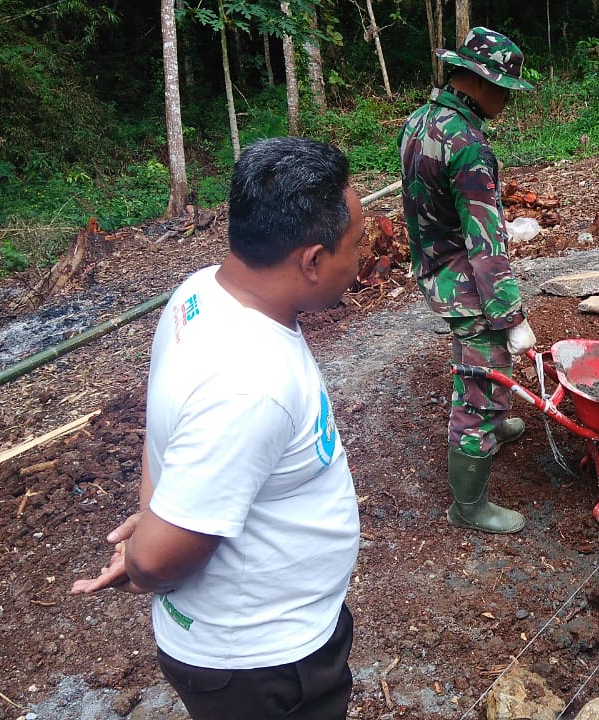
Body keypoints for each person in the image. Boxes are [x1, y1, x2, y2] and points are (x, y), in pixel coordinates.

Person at [70, 136, 365, 720]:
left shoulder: (202, 291)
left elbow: (168, 435)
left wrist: (166, 507)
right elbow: (154, 563)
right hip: (261, 663)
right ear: (310, 260)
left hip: (270, 636)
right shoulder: (250, 384)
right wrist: (149, 547)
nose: (359, 260)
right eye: (354, 246)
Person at [399, 27, 536, 534]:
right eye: (503, 88)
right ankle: (469, 505)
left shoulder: (420, 122)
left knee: (486, 367)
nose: (506, 99)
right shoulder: (470, 146)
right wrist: (512, 316)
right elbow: (486, 242)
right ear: (478, 81)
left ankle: (498, 424)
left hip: (432, 265)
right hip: (464, 280)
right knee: (483, 376)